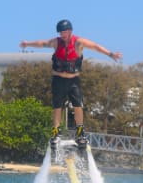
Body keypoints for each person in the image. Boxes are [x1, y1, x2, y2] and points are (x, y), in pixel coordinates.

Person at [20, 19, 123, 151]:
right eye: (60, 32)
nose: (62, 34)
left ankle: (80, 134)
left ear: (70, 31)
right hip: (58, 80)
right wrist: (27, 43)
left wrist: (110, 54)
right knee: (57, 107)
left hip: (74, 81)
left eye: (64, 32)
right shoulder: (56, 42)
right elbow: (42, 43)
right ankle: (56, 134)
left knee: (78, 106)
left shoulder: (79, 42)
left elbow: (95, 46)